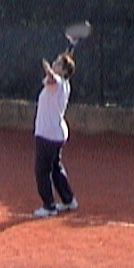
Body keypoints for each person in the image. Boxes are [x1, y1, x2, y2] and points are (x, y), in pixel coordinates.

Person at [32, 51, 79, 218]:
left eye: (59, 64)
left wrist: (47, 68)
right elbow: (49, 80)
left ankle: (49, 206)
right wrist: (52, 69)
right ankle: (68, 200)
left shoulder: (58, 83)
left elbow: (51, 78)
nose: (55, 63)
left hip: (47, 135)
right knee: (55, 169)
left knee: (42, 170)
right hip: (55, 134)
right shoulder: (64, 84)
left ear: (64, 71)